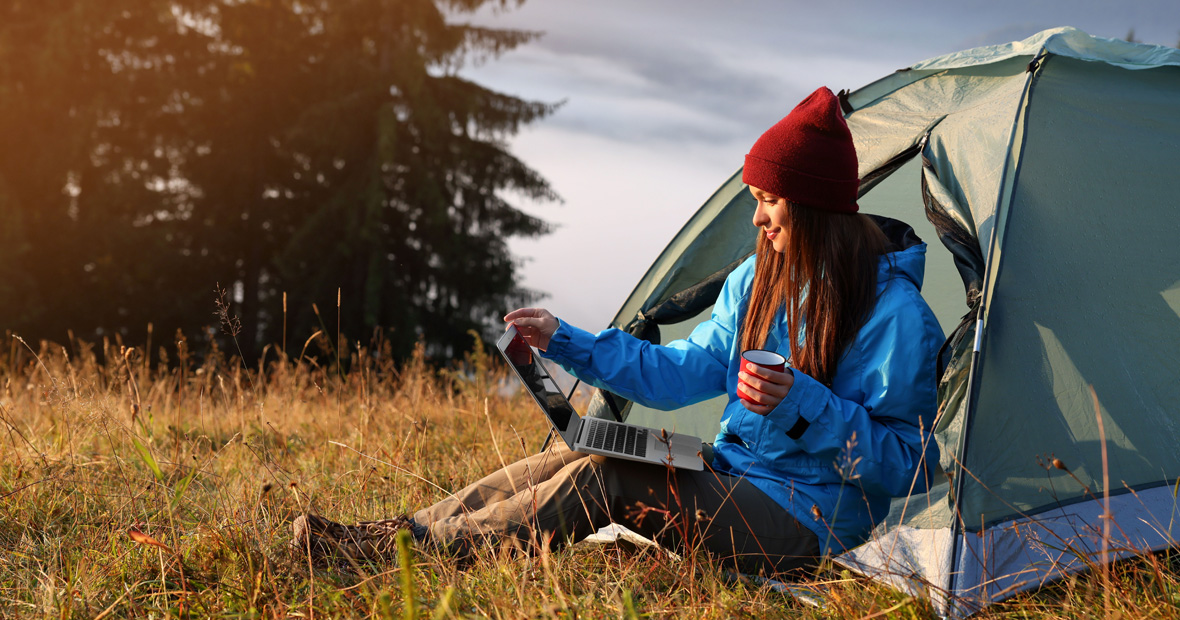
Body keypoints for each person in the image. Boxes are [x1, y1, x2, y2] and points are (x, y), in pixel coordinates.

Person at [293, 86, 944, 574]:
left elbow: (906, 469)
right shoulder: (759, 280)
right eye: (754, 200)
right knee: (580, 451)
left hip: (811, 522)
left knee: (607, 478)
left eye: (769, 202)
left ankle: (411, 562)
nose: (758, 221)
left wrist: (804, 406)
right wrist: (565, 339)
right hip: (730, 472)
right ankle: (388, 537)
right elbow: (679, 372)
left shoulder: (897, 319)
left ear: (813, 208)